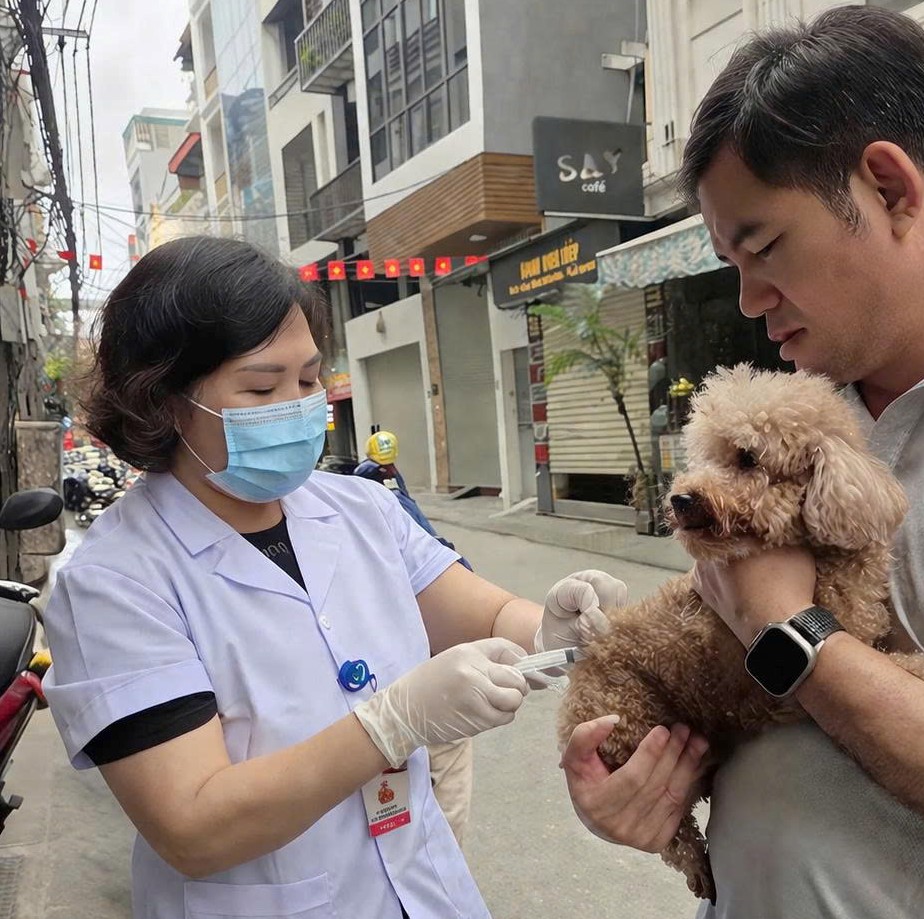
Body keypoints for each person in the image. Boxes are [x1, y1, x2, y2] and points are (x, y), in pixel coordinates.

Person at [42, 235, 623, 919]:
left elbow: (488, 616)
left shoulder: (363, 509)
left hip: (426, 892)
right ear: (165, 400)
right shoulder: (115, 582)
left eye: (310, 379)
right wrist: (389, 724)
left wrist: (549, 627)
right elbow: (192, 824)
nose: (298, 404)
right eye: (263, 385)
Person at [559, 6, 924, 918]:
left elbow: (778, 642)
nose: (751, 299)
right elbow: (723, 687)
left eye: (763, 247)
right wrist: (647, 778)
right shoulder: (797, 425)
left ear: (891, 188)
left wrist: (790, 629)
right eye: (728, 261)